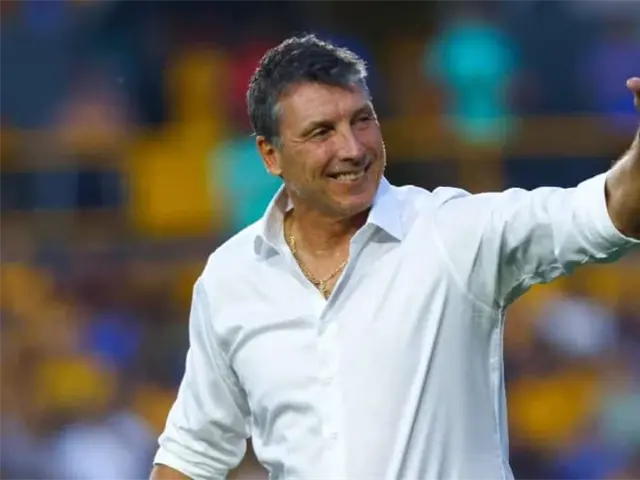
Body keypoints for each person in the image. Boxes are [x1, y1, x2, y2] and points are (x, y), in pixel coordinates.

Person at [150, 34, 640, 479]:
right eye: (321, 132)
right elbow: (193, 454)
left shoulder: (451, 233)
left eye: (362, 120)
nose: (352, 148)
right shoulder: (232, 277)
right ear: (270, 155)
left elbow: (607, 212)